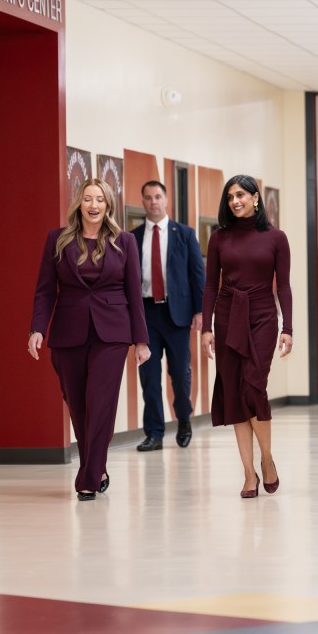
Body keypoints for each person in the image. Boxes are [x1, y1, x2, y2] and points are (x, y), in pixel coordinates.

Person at [28, 177, 151, 501]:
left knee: (100, 402)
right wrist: (37, 329)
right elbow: (44, 290)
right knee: (79, 406)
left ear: (108, 205)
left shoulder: (123, 242)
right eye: (88, 199)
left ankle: (88, 478)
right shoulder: (58, 240)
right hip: (69, 332)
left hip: (112, 333)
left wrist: (141, 340)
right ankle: (97, 467)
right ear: (79, 204)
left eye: (100, 199)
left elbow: (134, 294)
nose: (94, 205)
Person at [201, 175, 292, 498]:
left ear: (256, 198)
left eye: (240, 195)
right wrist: (207, 328)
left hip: (263, 316)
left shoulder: (276, 237)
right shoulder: (218, 238)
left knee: (254, 386)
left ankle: (267, 460)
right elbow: (211, 284)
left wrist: (288, 328)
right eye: (230, 197)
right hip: (227, 317)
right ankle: (248, 473)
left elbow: (283, 286)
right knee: (235, 393)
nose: (235, 201)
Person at [131, 180, 205, 452]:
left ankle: (183, 419)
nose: (153, 202)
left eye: (158, 196)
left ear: (166, 200)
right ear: (143, 202)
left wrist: (200, 311)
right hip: (146, 313)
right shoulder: (133, 237)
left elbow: (198, 274)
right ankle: (154, 433)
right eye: (148, 197)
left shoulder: (184, 234)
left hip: (177, 315)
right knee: (149, 376)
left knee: (180, 374)